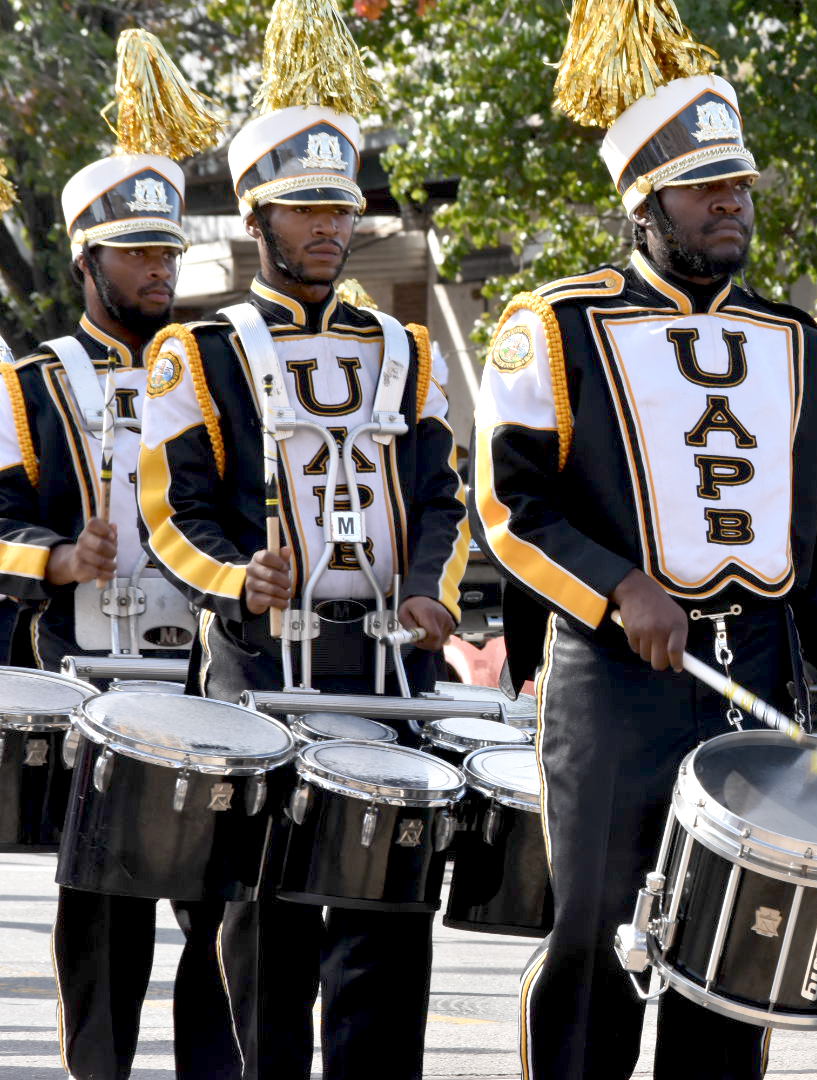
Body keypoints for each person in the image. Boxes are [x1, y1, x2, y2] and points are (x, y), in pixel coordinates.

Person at [473, 4, 817, 1076]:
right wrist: (620, 586)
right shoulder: (553, 324)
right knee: (599, 944)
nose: (731, 203)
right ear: (643, 202)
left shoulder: (811, 348)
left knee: (735, 959)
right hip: (614, 680)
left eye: (740, 185)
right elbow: (510, 513)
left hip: (756, 672)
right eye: (705, 186)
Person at [136, 2, 468, 1075]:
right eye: (304, 211)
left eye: (341, 210)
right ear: (253, 222)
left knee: (386, 926)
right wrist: (241, 578)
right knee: (265, 929)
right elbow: (168, 517)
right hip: (256, 669)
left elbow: (443, 497)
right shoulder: (195, 353)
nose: (330, 229)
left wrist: (430, 588)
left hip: (381, 671)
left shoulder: (404, 349)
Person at [0, 31, 238, 1079]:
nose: (158, 271)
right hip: (94, 680)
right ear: (88, 261)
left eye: (168, 252)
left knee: (226, 918)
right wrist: (54, 559)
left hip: (217, 678)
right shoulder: (34, 380)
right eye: (138, 254)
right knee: (103, 928)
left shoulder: (226, 367)